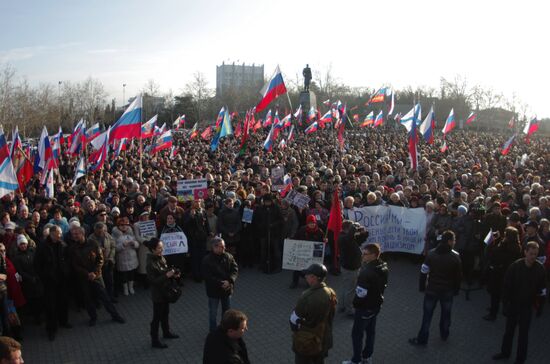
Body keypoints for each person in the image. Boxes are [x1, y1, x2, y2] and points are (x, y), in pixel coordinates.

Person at [492, 241, 546, 364]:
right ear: (525, 252)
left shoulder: (540, 269)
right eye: (531, 253)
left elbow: (542, 290)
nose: (533, 257)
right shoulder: (515, 266)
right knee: (509, 331)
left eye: (535, 254)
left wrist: (540, 306)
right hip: (513, 304)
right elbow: (506, 286)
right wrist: (505, 304)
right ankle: (505, 352)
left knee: (523, 335)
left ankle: (520, 359)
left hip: (527, 306)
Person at [409, 230, 462, 346]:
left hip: (432, 290)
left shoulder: (431, 254)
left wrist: (422, 287)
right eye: (454, 240)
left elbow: (423, 272)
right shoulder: (456, 257)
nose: (455, 242)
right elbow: (458, 277)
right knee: (446, 314)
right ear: (449, 241)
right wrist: (456, 290)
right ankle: (444, 334)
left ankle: (422, 339)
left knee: (427, 316)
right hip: (447, 292)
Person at [68, 226, 125, 326]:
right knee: (88, 299)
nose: (74, 236)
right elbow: (75, 265)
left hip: (97, 276)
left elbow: (100, 259)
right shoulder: (73, 248)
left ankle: (115, 315)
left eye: (76, 234)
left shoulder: (93, 244)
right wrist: (87, 274)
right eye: (73, 234)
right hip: (84, 277)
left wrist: (94, 272)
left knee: (105, 297)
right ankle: (93, 318)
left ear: (82, 233)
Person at [342, 243, 388, 364]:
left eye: (365, 254)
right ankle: (367, 357)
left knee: (357, 334)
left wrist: (356, 305)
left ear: (373, 255)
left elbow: (361, 294)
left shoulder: (366, 272)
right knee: (371, 332)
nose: (362, 256)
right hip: (376, 305)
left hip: (365, 308)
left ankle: (356, 360)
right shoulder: (383, 265)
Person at [290, 263, 337, 364]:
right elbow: (331, 315)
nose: (305, 277)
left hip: (307, 341)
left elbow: (293, 320)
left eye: (307, 275)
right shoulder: (331, 292)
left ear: (313, 278)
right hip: (324, 338)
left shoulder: (306, 296)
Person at [33, 225, 71, 341]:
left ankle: (63, 321)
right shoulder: (43, 246)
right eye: (59, 233)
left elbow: (68, 260)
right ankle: (51, 329)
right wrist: (44, 276)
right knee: (51, 306)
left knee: (63, 301)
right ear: (52, 233)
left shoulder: (63, 245)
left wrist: (66, 271)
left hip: (62, 279)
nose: (61, 235)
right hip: (49, 281)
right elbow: (37, 264)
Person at [145, 237, 180, 349]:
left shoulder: (161, 258)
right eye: (159, 248)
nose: (162, 250)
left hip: (165, 292)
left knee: (165, 314)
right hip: (158, 295)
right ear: (153, 249)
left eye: (162, 247)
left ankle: (166, 332)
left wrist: (173, 274)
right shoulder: (150, 263)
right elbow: (153, 281)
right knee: (157, 318)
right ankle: (154, 340)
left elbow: (164, 271)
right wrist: (167, 275)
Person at [483, 227, 522, 321]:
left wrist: (494, 241)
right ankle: (505, 309)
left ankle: (493, 313)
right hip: (510, 274)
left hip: (498, 273)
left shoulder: (505, 247)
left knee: (495, 294)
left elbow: (492, 254)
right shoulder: (517, 247)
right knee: (506, 294)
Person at [201, 237, 238, 332]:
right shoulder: (207, 260)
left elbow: (235, 270)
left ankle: (224, 330)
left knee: (227, 313)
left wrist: (229, 281)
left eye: (224, 246)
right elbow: (208, 277)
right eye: (222, 247)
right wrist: (221, 283)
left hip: (226, 290)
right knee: (213, 313)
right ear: (214, 247)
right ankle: (213, 332)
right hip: (214, 292)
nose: (224, 248)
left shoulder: (228, 256)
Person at [338, 221, 368, 316]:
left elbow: (360, 240)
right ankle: (349, 310)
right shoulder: (343, 238)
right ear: (348, 229)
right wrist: (354, 227)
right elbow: (349, 238)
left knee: (345, 287)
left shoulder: (349, 238)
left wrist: (364, 233)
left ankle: (341, 306)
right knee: (350, 290)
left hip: (349, 266)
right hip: (350, 268)